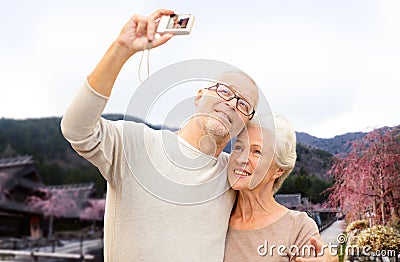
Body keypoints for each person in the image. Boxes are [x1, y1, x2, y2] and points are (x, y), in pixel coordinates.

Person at [61, 9, 259, 261]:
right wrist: (121, 49)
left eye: (243, 104)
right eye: (224, 91)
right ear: (199, 95)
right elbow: (76, 129)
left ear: (245, 123)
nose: (231, 103)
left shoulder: (234, 176)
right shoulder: (135, 143)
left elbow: (270, 213)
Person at [224, 114, 333, 261]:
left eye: (257, 151)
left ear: (279, 170)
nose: (241, 158)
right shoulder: (216, 215)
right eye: (238, 147)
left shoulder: (298, 227)